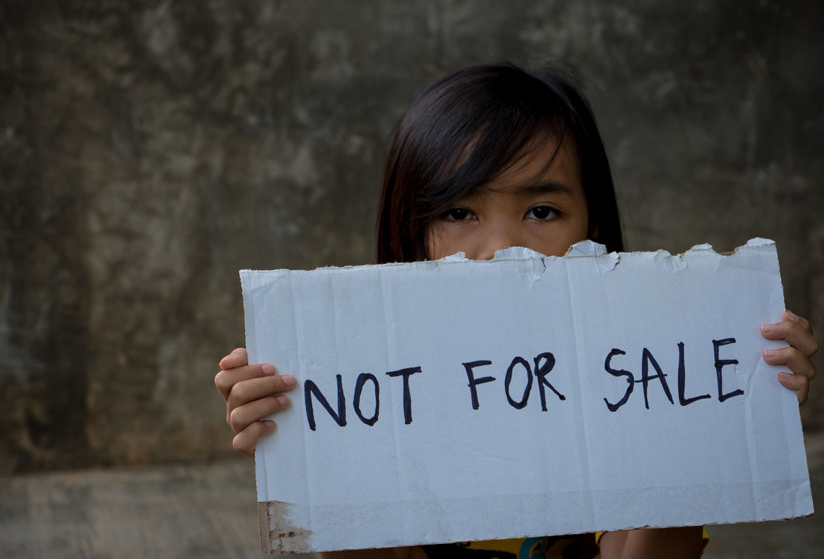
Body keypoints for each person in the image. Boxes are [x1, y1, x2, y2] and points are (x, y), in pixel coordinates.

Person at [214, 62, 818, 558]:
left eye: (542, 212)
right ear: (410, 230)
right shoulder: (374, 382)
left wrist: (728, 409)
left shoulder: (635, 380)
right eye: (458, 214)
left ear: (593, 227)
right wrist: (298, 442)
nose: (502, 251)